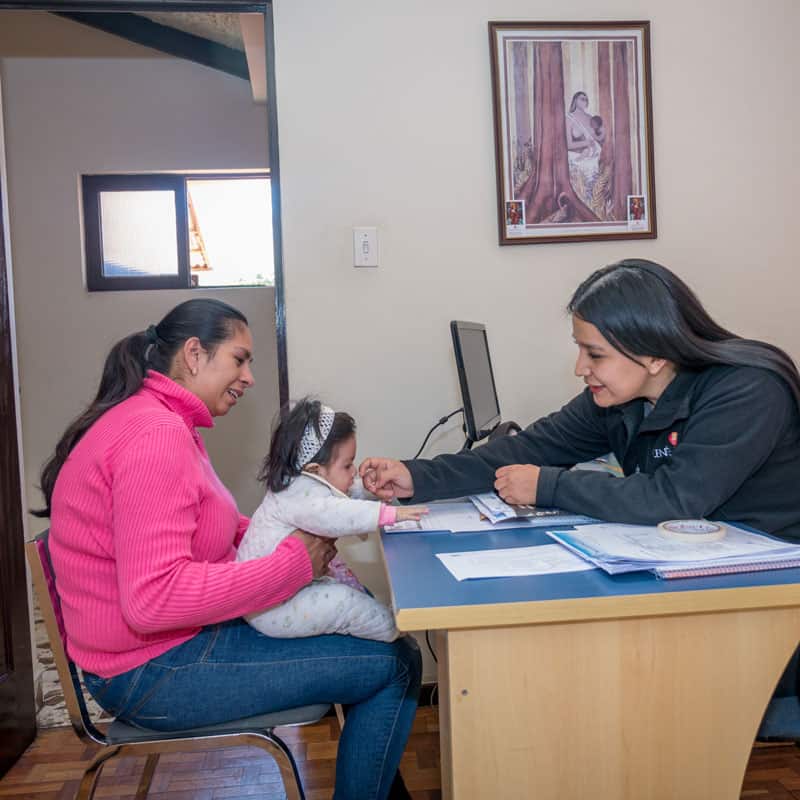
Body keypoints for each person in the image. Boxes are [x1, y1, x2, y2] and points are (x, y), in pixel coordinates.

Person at [36, 298, 421, 800]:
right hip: (152, 670)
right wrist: (292, 564)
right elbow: (154, 599)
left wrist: (277, 532)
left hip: (155, 650)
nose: (249, 377)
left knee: (387, 649)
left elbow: (207, 529)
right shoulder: (154, 436)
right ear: (195, 354)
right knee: (395, 663)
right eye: (240, 359)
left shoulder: (165, 422)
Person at [360, 259, 800, 543]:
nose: (580, 368)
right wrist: (416, 476)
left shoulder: (747, 389)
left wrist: (548, 485)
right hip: (699, 564)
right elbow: (527, 449)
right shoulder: (618, 399)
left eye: (595, 354)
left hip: (770, 587)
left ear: (652, 353)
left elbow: (675, 498)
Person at [237, 397, 426, 641]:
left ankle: (386, 623)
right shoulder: (301, 496)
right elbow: (336, 514)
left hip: (278, 594)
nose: (354, 471)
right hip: (272, 608)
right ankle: (391, 627)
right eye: (347, 466)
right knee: (344, 603)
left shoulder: (299, 483)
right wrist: (388, 514)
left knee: (347, 590)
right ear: (315, 470)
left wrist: (369, 490)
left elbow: (335, 497)